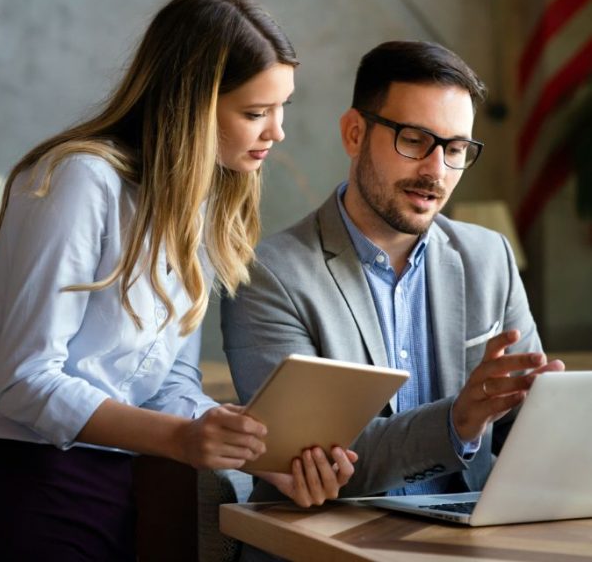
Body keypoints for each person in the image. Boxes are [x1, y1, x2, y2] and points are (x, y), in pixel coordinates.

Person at [0, 0, 356, 561]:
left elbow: (169, 384)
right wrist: (184, 439)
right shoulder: (77, 181)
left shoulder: (200, 202)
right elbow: (25, 380)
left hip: (122, 494)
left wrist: (247, 442)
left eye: (283, 108)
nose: (277, 132)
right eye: (256, 112)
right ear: (190, 104)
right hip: (26, 494)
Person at [221, 40, 565, 560]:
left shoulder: (489, 257)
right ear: (354, 133)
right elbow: (309, 462)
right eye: (415, 140)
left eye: (455, 149)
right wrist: (459, 421)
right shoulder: (268, 275)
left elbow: (528, 425)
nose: (436, 170)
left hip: (473, 543)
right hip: (323, 542)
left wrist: (557, 423)